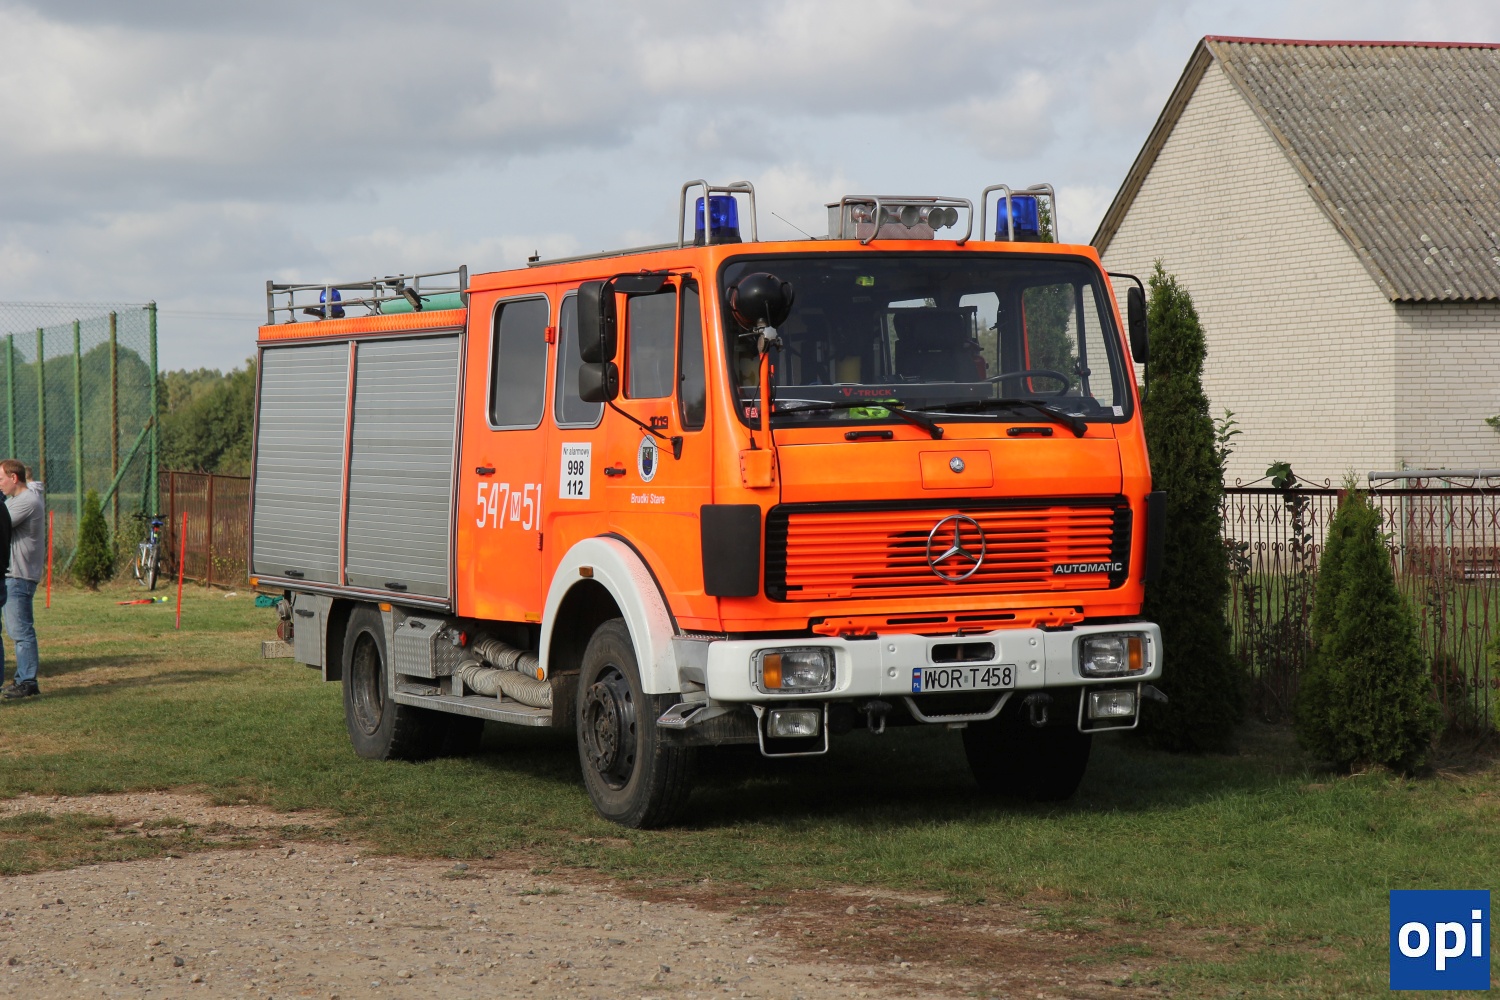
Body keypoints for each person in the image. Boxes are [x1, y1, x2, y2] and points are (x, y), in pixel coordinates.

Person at [0, 459, 42, 699]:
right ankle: (22, 679)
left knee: (21, 631)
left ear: (14, 478)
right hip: (14, 574)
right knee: (16, 630)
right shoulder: (19, 500)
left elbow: (2, 523)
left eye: (1, 479)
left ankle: (27, 681)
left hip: (19, 574)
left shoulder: (26, 501)